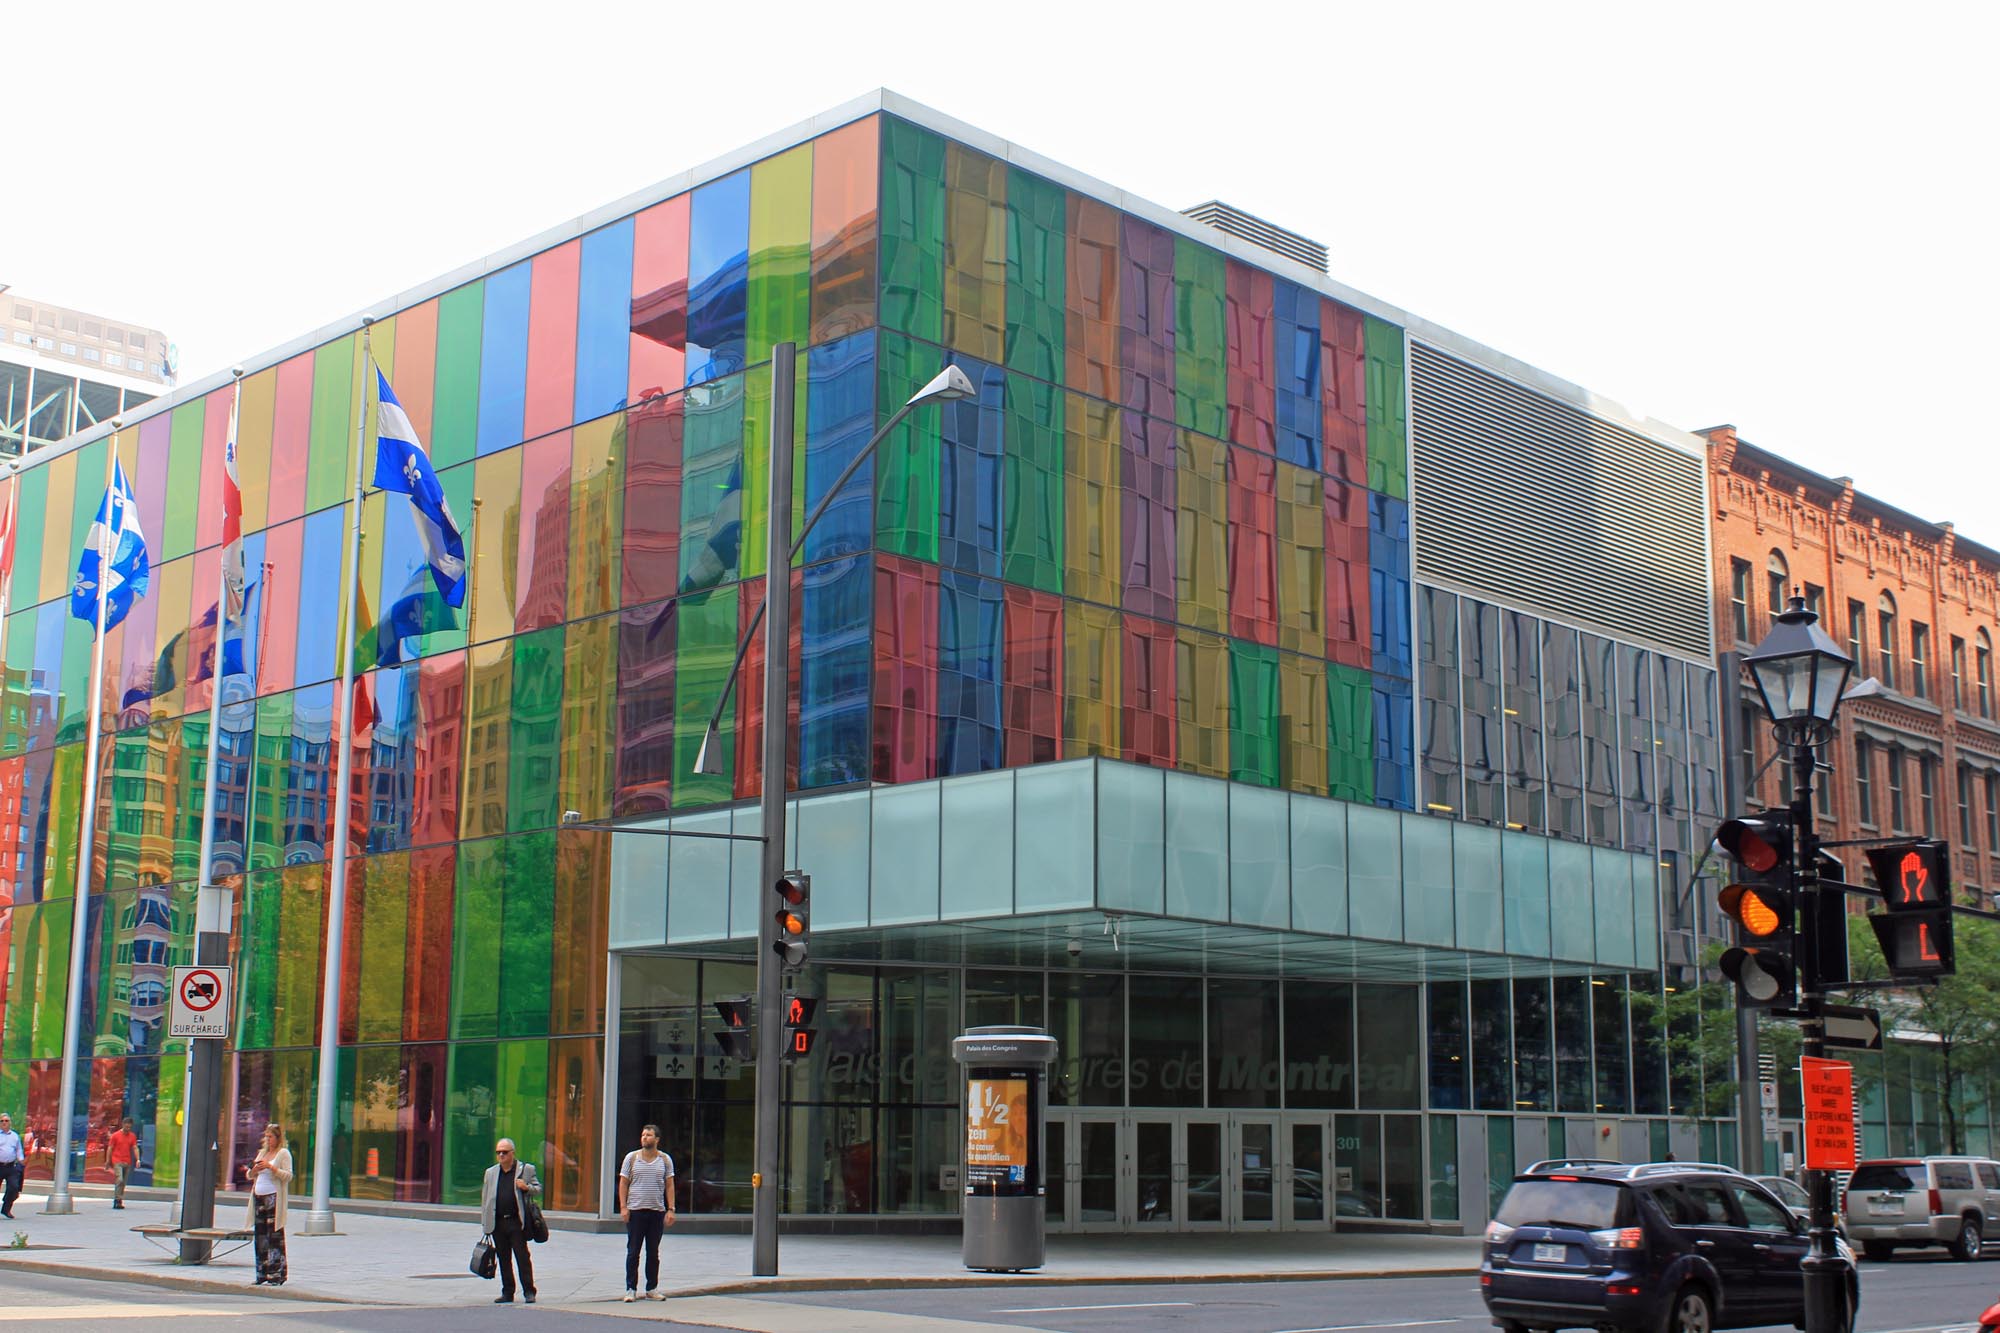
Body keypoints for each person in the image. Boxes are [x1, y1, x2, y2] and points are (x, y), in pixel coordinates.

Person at [617, 1124, 676, 1301]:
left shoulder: (665, 1160)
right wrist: (623, 1207)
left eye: (649, 1135)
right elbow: (623, 1183)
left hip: (656, 1211)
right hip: (635, 1211)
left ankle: (651, 1288)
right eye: (643, 1135)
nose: (644, 1138)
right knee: (633, 1251)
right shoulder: (632, 1158)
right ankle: (630, 1289)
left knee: (653, 1252)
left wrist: (671, 1209)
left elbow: (670, 1184)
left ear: (657, 1139)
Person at [479, 1139, 540, 1305]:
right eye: (498, 1152)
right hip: (498, 1222)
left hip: (516, 1222)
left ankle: (529, 1291)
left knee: (522, 1257)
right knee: (504, 1258)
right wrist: (485, 1223)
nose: (501, 1155)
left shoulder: (525, 1170)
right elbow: (485, 1199)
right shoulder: (491, 1173)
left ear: (512, 1153)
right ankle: (507, 1292)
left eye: (504, 1152)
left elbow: (538, 1188)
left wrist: (526, 1187)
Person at [240, 1123, 292, 1286]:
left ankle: (277, 1273)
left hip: (273, 1196)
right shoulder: (262, 1153)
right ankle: (262, 1272)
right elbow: (250, 1175)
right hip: (259, 1195)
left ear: (278, 1138)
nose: (268, 1140)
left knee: (274, 1235)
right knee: (260, 1234)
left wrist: (271, 1167)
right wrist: (254, 1169)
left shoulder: (283, 1154)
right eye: (266, 1137)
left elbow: (288, 1176)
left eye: (271, 1137)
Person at [105, 1117, 139, 1210]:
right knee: (119, 1179)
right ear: (123, 1125)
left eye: (129, 1127)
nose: (128, 1129)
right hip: (117, 1160)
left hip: (127, 1161)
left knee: (123, 1182)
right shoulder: (115, 1136)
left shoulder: (132, 1136)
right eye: (126, 1127)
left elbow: (135, 1147)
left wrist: (138, 1159)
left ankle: (119, 1200)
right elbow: (110, 1148)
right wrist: (108, 1161)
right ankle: (117, 1199)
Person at [0, 1112, 22, 1219]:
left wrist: (22, 1161)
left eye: (6, 1121)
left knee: (14, 1188)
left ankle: (6, 1209)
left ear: (10, 1123)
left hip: (11, 1166)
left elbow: (19, 1150)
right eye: (2, 1121)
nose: (4, 1123)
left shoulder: (15, 1136)